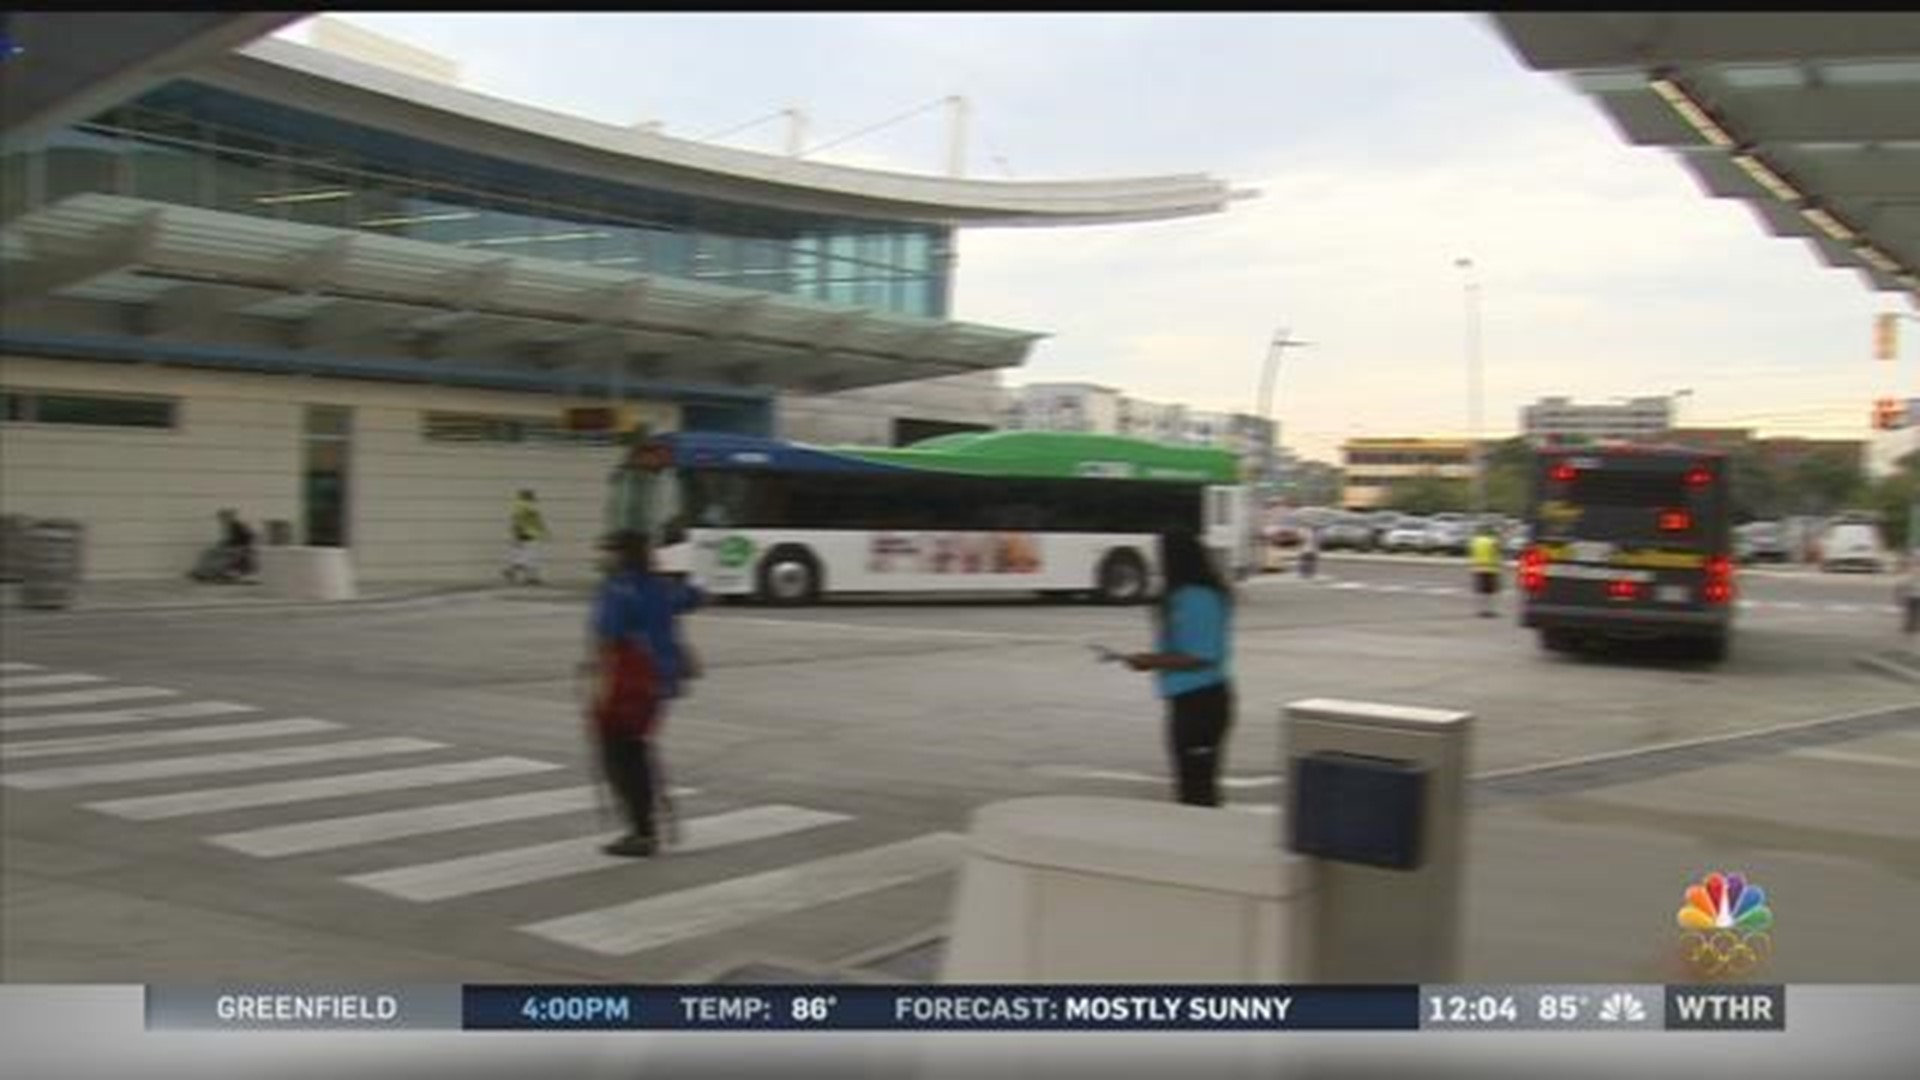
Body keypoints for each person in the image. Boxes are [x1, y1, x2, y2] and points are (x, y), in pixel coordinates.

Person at [586, 529, 703, 857]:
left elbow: (608, 637)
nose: (599, 556)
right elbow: (695, 595)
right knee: (634, 749)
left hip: (628, 682)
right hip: (660, 683)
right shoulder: (660, 585)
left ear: (620, 554)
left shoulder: (616, 589)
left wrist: (598, 681)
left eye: (606, 550)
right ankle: (650, 821)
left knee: (619, 757)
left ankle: (642, 831)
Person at [1119, 530, 1236, 807]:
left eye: (1162, 556)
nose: (1158, 563)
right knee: (1190, 783)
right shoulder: (1182, 596)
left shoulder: (1199, 597)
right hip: (1187, 701)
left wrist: (1150, 660)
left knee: (1198, 787)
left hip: (1202, 702)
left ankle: (1204, 841)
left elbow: (1202, 655)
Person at [188, 509, 256, 583]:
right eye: (221, 518)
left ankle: (211, 572)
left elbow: (245, 539)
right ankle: (202, 571)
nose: (222, 521)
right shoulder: (230, 526)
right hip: (231, 548)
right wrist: (221, 545)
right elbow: (229, 540)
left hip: (237, 549)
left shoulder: (237, 526)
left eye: (224, 518)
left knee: (218, 556)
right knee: (208, 553)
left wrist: (242, 548)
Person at [505, 489, 549, 585]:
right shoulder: (529, 507)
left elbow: (516, 522)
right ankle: (519, 572)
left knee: (526, 556)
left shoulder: (517, 507)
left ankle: (527, 575)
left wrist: (515, 534)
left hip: (522, 535)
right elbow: (537, 521)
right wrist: (544, 532)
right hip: (530, 534)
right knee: (531, 557)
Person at [1469, 523, 1502, 618]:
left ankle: (1480, 610)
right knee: (1490, 593)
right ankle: (1489, 611)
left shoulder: (1475, 541)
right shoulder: (1493, 541)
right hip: (1491, 568)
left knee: (1480, 591)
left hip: (1478, 568)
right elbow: (1497, 553)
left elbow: (1472, 553)